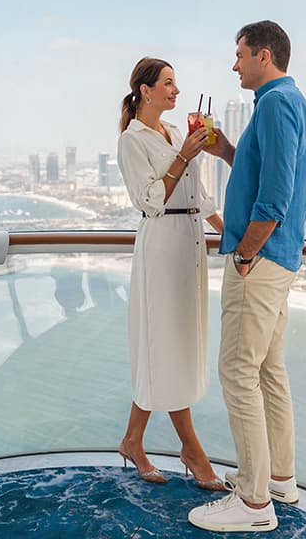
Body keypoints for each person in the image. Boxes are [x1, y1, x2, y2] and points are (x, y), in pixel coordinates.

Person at [188, 21, 306, 533]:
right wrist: (222, 149)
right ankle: (279, 480)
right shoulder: (283, 103)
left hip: (260, 262)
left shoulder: (277, 103)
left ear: (263, 55)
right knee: (267, 371)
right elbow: (260, 170)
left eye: (238, 54)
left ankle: (254, 503)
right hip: (275, 261)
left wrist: (244, 253)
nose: (233, 64)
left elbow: (277, 194)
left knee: (237, 372)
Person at [115, 56, 227, 492]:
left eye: (176, 84)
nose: (176, 91)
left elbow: (199, 196)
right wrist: (182, 156)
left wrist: (233, 237)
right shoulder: (133, 140)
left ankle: (132, 440)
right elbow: (148, 201)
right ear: (145, 90)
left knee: (172, 343)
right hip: (161, 244)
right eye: (167, 83)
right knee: (166, 344)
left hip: (189, 241)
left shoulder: (177, 132)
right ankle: (194, 453)